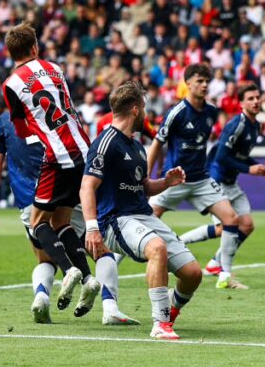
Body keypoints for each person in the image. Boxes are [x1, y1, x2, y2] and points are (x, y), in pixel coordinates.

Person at [81, 82, 203, 340]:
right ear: (135, 110)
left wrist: (166, 183)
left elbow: (143, 186)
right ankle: (160, 323)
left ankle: (170, 311)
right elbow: (87, 186)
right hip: (115, 219)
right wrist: (91, 228)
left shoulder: (136, 147)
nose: (147, 114)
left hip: (143, 215)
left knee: (193, 274)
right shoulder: (106, 143)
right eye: (145, 108)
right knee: (156, 248)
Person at [2, 23, 96, 306]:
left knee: (37, 222)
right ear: (34, 47)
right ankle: (90, 279)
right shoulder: (55, 68)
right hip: (83, 148)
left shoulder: (11, 84)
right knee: (62, 221)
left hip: (57, 156)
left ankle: (69, 271)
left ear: (10, 53)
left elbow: (20, 130)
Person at [0, 111, 104, 324]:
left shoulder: (4, 120)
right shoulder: (57, 107)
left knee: (45, 257)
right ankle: (89, 279)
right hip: (68, 181)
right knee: (65, 227)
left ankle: (43, 295)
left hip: (32, 193)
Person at [147, 64, 248, 289]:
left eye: (206, 81)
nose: (204, 85)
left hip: (201, 179)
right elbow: (157, 144)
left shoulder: (211, 112)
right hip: (174, 180)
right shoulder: (177, 112)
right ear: (188, 83)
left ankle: (225, 275)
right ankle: (113, 262)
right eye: (199, 81)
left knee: (232, 219)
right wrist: (147, 176)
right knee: (143, 221)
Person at [179, 84, 265, 277]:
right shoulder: (236, 124)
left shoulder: (256, 125)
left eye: (257, 97)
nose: (256, 101)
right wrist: (249, 169)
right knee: (225, 226)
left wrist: (257, 166)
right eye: (251, 98)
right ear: (241, 103)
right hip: (217, 180)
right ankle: (179, 241)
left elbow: (239, 155)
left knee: (246, 225)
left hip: (231, 182)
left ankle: (216, 262)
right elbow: (222, 156)